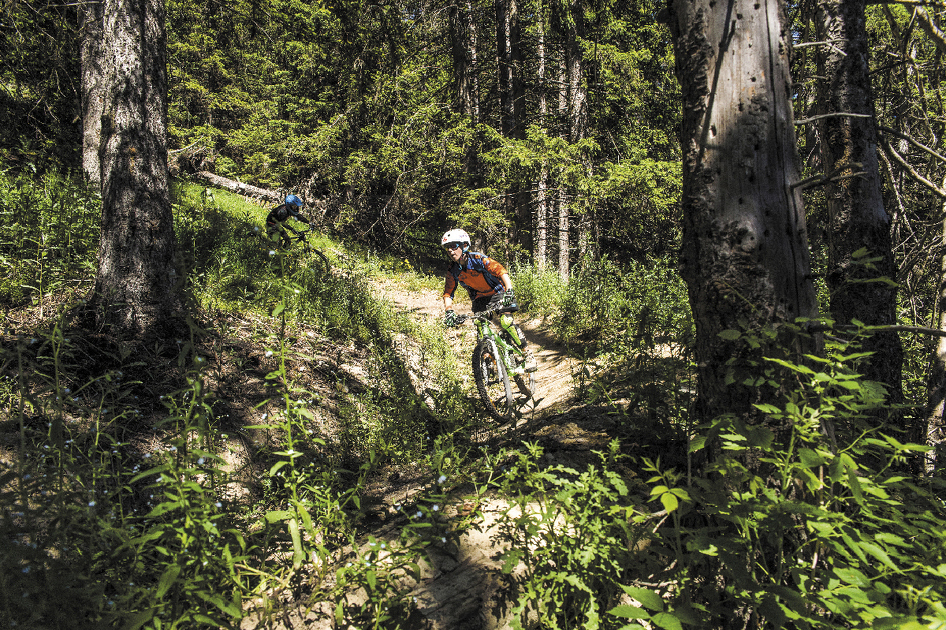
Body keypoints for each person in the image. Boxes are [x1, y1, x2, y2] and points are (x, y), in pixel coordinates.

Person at [440, 228, 537, 372]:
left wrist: (509, 289)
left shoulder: (478, 259)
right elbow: (448, 293)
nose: (450, 251)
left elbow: (500, 270)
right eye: (448, 248)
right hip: (479, 298)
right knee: (481, 327)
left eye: (454, 247)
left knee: (506, 322)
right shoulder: (453, 270)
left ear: (464, 246)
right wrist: (449, 311)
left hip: (498, 292)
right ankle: (487, 361)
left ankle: (528, 355)